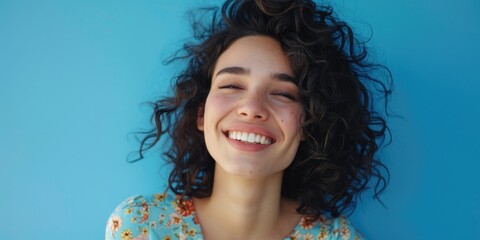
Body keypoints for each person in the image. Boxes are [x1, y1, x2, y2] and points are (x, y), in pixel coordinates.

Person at [106, 0, 391, 239]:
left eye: (282, 93)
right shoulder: (142, 225)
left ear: (308, 124)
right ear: (201, 113)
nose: (252, 108)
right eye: (231, 86)